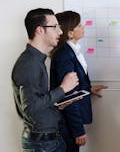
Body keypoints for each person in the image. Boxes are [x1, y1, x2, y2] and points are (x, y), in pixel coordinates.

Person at [12, 8, 79, 152]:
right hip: (42, 144)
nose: (60, 32)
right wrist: (63, 88)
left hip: (47, 141)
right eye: (55, 27)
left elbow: (37, 102)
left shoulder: (36, 60)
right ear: (39, 30)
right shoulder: (30, 63)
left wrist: (58, 104)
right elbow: (30, 108)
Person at [49, 11, 107, 152]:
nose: (83, 27)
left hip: (69, 122)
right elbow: (68, 95)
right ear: (69, 33)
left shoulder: (71, 51)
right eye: (79, 25)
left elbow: (74, 83)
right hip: (67, 124)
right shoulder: (65, 55)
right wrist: (78, 130)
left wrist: (88, 88)